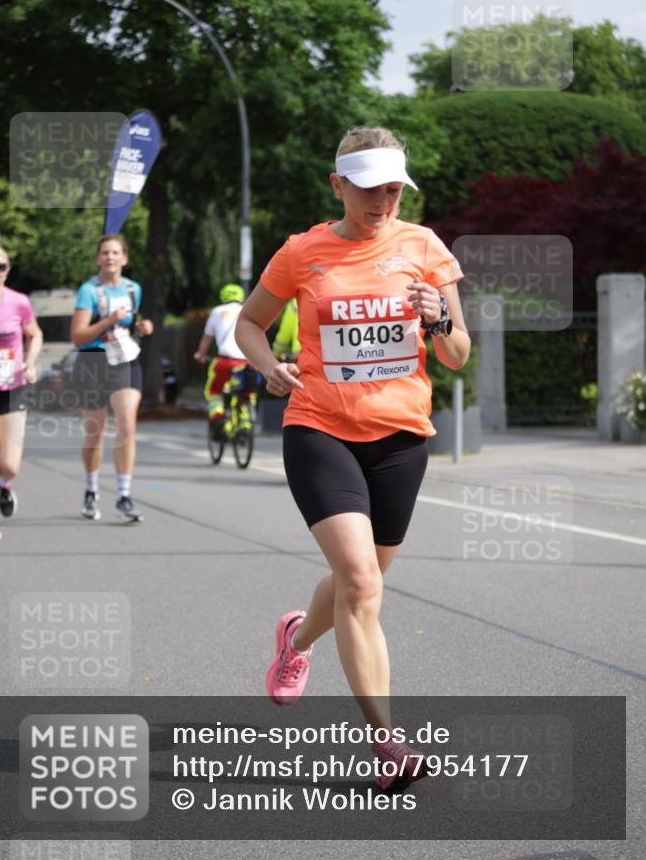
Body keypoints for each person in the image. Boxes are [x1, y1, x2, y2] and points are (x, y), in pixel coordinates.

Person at [235, 126, 470, 792]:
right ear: (338, 185)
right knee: (363, 585)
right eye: (369, 190)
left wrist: (438, 320)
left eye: (393, 189)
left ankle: (295, 638)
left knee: (353, 583)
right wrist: (267, 368)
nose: (382, 203)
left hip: (400, 438)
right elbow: (248, 323)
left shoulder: (424, 248)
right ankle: (388, 747)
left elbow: (457, 355)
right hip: (319, 429)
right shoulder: (302, 251)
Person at [70, 233, 153, 522]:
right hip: (93, 361)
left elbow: (130, 325)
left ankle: (124, 495)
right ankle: (91, 490)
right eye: (105, 253)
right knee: (96, 431)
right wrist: (108, 320)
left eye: (115, 252)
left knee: (126, 423)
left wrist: (141, 327)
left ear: (125, 258)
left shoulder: (133, 288)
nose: (110, 257)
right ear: (98, 259)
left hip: (125, 360)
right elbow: (77, 336)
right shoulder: (89, 291)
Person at [0, 245, 43, 545]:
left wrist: (30, 363)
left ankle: (5, 485)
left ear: (7, 271)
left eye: (0, 266)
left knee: (9, 465)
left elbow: (36, 334)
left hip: (12, 386)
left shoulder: (19, 302)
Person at [194, 283, 253, 436]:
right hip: (246, 363)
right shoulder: (249, 310)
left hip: (225, 362)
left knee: (214, 391)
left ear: (223, 297)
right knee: (245, 392)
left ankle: (217, 417)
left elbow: (207, 339)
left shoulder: (217, 312)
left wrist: (200, 355)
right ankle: (245, 421)